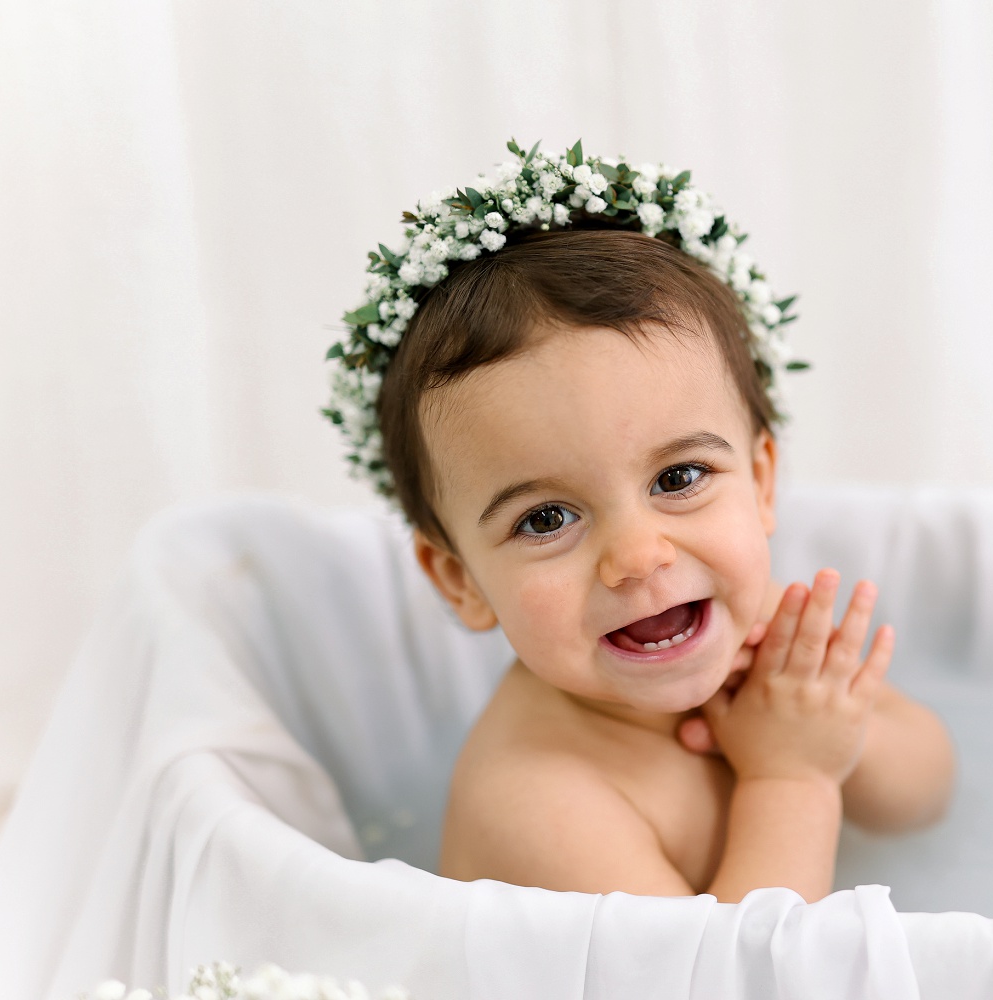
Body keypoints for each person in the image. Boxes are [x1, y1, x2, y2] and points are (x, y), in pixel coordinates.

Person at [322, 144, 956, 903]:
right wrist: (793, 780)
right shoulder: (540, 801)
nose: (638, 556)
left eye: (678, 478)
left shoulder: (754, 633)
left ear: (759, 482)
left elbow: (928, 799)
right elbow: (744, 985)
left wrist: (834, 734)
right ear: (461, 580)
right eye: (547, 518)